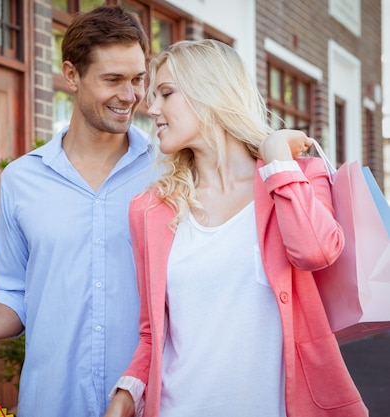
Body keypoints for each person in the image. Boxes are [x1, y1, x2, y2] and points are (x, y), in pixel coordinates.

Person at [104, 39, 368, 417]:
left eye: (165, 93)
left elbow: (316, 251)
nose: (151, 108)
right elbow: (152, 335)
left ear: (209, 93)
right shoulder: (150, 210)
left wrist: (276, 158)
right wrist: (127, 394)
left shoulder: (297, 179)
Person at [0, 5, 156, 417]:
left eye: (138, 79)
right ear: (72, 75)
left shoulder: (168, 171)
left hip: (150, 402)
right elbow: (13, 291)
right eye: (113, 79)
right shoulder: (22, 179)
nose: (130, 95)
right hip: (51, 401)